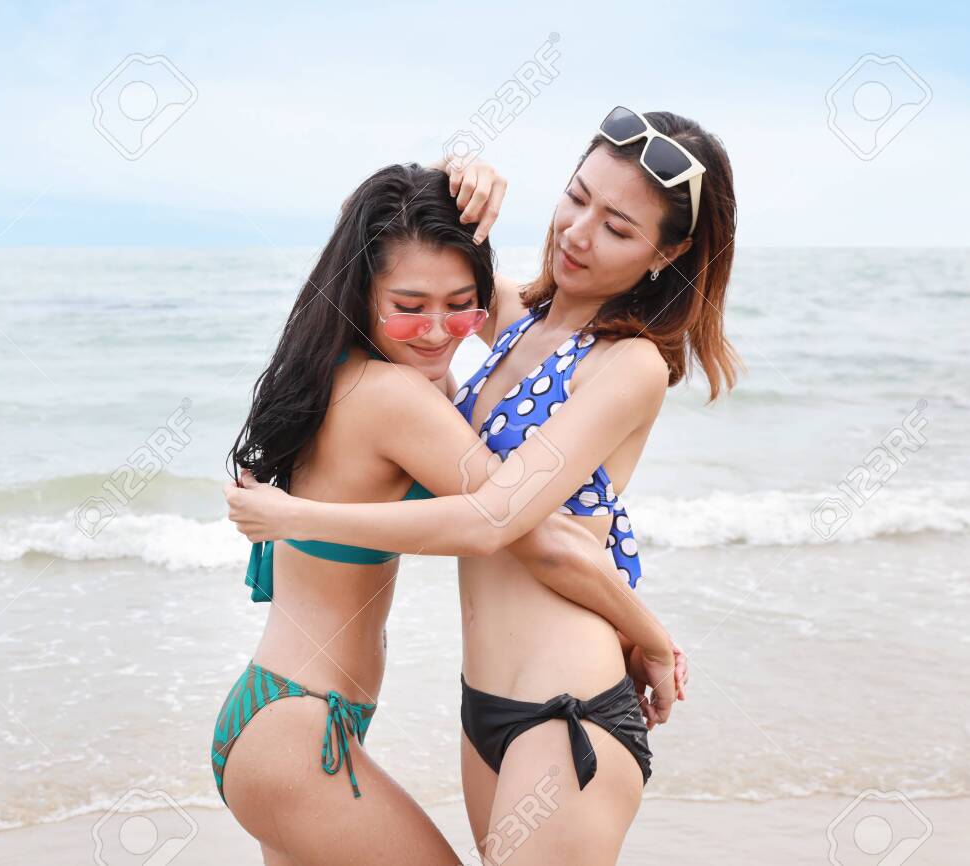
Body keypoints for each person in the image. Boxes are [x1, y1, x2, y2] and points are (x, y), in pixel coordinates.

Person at [225, 107, 738, 865]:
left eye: (619, 228)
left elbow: (499, 517)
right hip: (485, 711)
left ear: (669, 252)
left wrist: (299, 514)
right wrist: (458, 173)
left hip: (569, 710)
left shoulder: (627, 364)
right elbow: (381, 251)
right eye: (577, 196)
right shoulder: (517, 317)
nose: (577, 232)